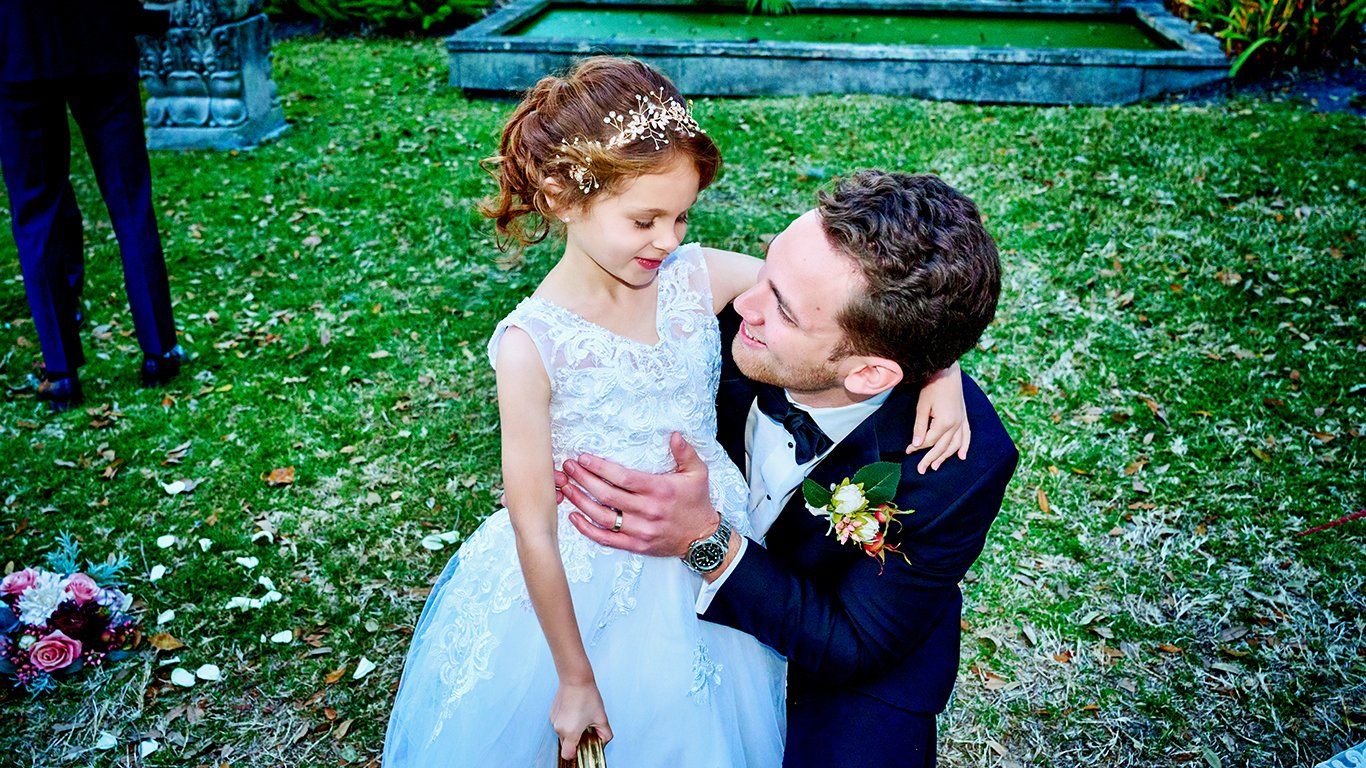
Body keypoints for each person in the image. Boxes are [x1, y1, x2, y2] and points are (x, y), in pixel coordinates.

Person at [382, 58, 971, 766]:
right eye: (644, 219)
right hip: (586, 569)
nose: (668, 238)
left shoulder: (695, 276)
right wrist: (572, 676)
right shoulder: (531, 347)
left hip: (712, 560)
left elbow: (877, 322)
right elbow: (530, 524)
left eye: (683, 214)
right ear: (564, 196)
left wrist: (941, 368)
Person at [562, 170, 1018, 767]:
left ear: (871, 374)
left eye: (784, 310)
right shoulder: (723, 313)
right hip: (664, 599)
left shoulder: (958, 467)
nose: (742, 304)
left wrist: (705, 543)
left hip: (843, 641)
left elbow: (853, 642)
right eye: (766, 268)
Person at [0, 0, 185, 411]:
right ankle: (160, 350)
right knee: (130, 202)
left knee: (35, 215)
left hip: (18, 52)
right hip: (100, 43)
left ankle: (61, 371)